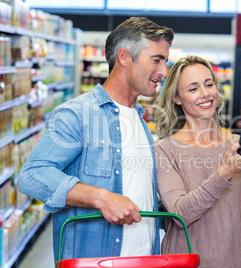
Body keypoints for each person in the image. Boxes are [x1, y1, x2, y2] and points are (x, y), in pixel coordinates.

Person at [17, 17, 174, 261]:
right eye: (157, 60)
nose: (164, 71)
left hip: (144, 259)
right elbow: (32, 176)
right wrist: (101, 198)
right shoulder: (77, 114)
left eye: (165, 61)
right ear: (124, 57)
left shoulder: (140, 121)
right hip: (96, 261)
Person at [153, 55, 241, 268]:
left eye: (209, 84)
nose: (205, 93)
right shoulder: (165, 150)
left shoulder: (239, 144)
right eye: (193, 89)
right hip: (189, 263)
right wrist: (224, 173)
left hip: (240, 261)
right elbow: (180, 213)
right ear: (177, 98)